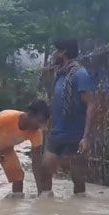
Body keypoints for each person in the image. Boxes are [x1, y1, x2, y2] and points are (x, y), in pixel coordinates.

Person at [41, 39, 96, 197]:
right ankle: (46, 210)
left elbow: (91, 105)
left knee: (78, 178)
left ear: (63, 52)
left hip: (75, 135)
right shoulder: (60, 74)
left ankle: (77, 213)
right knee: (46, 169)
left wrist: (85, 137)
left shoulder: (80, 74)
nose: (53, 55)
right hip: (57, 133)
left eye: (55, 51)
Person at [0, 101, 50, 199]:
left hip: (5, 149)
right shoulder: (8, 116)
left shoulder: (36, 133)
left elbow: (36, 163)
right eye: (39, 121)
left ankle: (15, 204)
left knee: (18, 176)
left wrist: (40, 192)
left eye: (43, 124)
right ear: (30, 115)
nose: (40, 126)